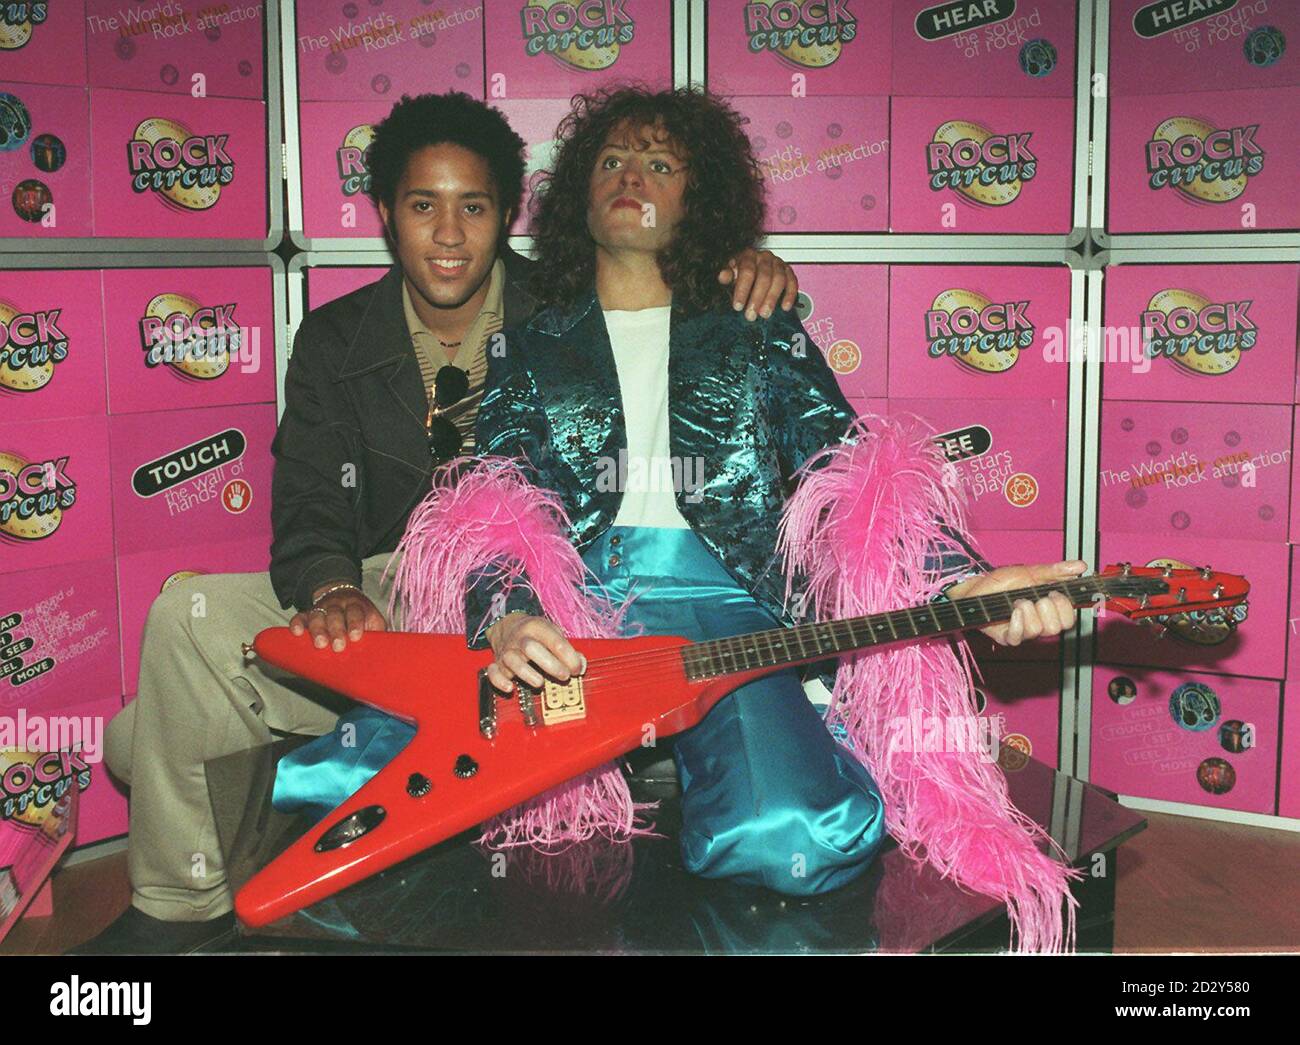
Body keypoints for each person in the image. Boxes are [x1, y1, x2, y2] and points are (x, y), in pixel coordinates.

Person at [281, 85, 1085, 898]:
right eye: (613, 159)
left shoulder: (756, 326)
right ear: (576, 195)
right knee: (340, 783)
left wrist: (965, 583)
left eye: (661, 163)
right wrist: (510, 615)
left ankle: (805, 738)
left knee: (791, 832)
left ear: (696, 198)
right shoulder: (527, 347)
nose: (632, 173)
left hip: (727, 617)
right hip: (575, 617)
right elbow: (498, 503)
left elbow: (850, 477)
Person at [84, 91, 802, 954]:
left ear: (508, 215)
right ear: (386, 214)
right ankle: (176, 906)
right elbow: (310, 495)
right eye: (424, 206)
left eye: (474, 207)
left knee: (142, 742)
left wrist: (743, 261)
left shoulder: (567, 307)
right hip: (382, 587)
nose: (451, 234)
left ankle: (206, 768)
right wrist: (331, 583)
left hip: (538, 596)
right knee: (182, 624)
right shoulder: (334, 337)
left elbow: (672, 294)